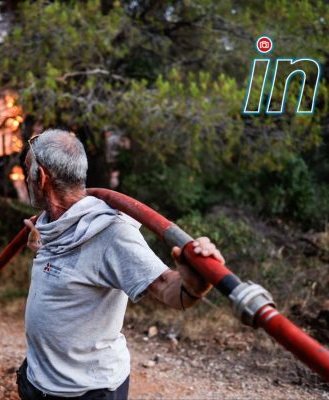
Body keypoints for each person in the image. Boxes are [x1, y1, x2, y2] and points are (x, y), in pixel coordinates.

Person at [17, 129, 225, 399]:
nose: (25, 180)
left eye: (27, 172)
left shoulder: (112, 233)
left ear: (42, 178)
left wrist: (195, 285)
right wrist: (42, 248)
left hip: (86, 392)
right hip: (38, 380)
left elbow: (169, 289)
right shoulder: (51, 225)